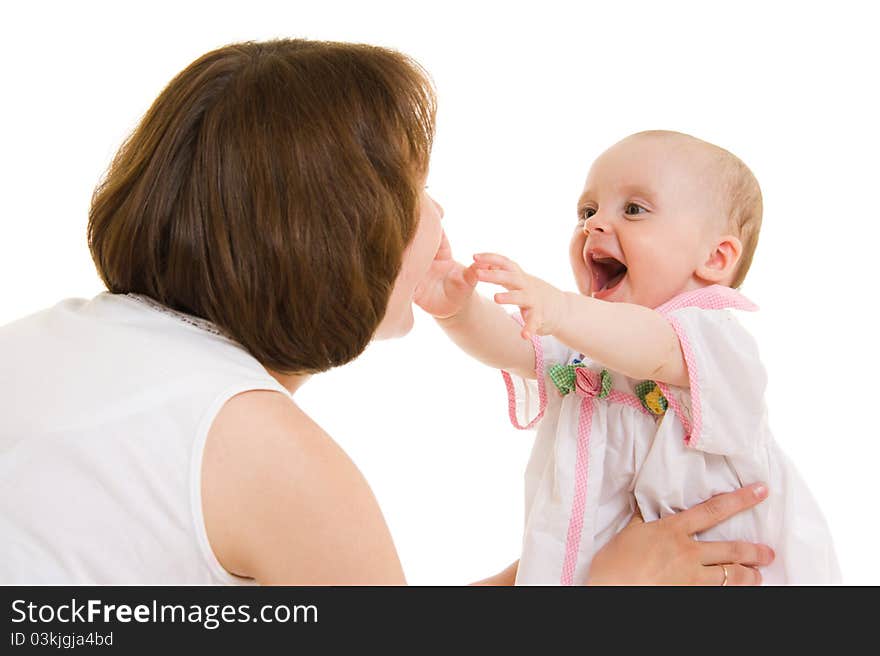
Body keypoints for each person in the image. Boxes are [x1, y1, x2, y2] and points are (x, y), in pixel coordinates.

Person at [0, 43, 773, 585]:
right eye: (412, 191)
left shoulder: (48, 343)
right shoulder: (265, 451)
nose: (436, 210)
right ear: (330, 233)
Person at [417, 130, 838, 584]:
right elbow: (517, 343)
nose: (594, 225)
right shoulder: (590, 350)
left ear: (716, 258)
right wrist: (458, 310)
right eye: (587, 210)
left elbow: (655, 350)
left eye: (633, 210)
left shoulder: (712, 339)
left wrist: (560, 308)